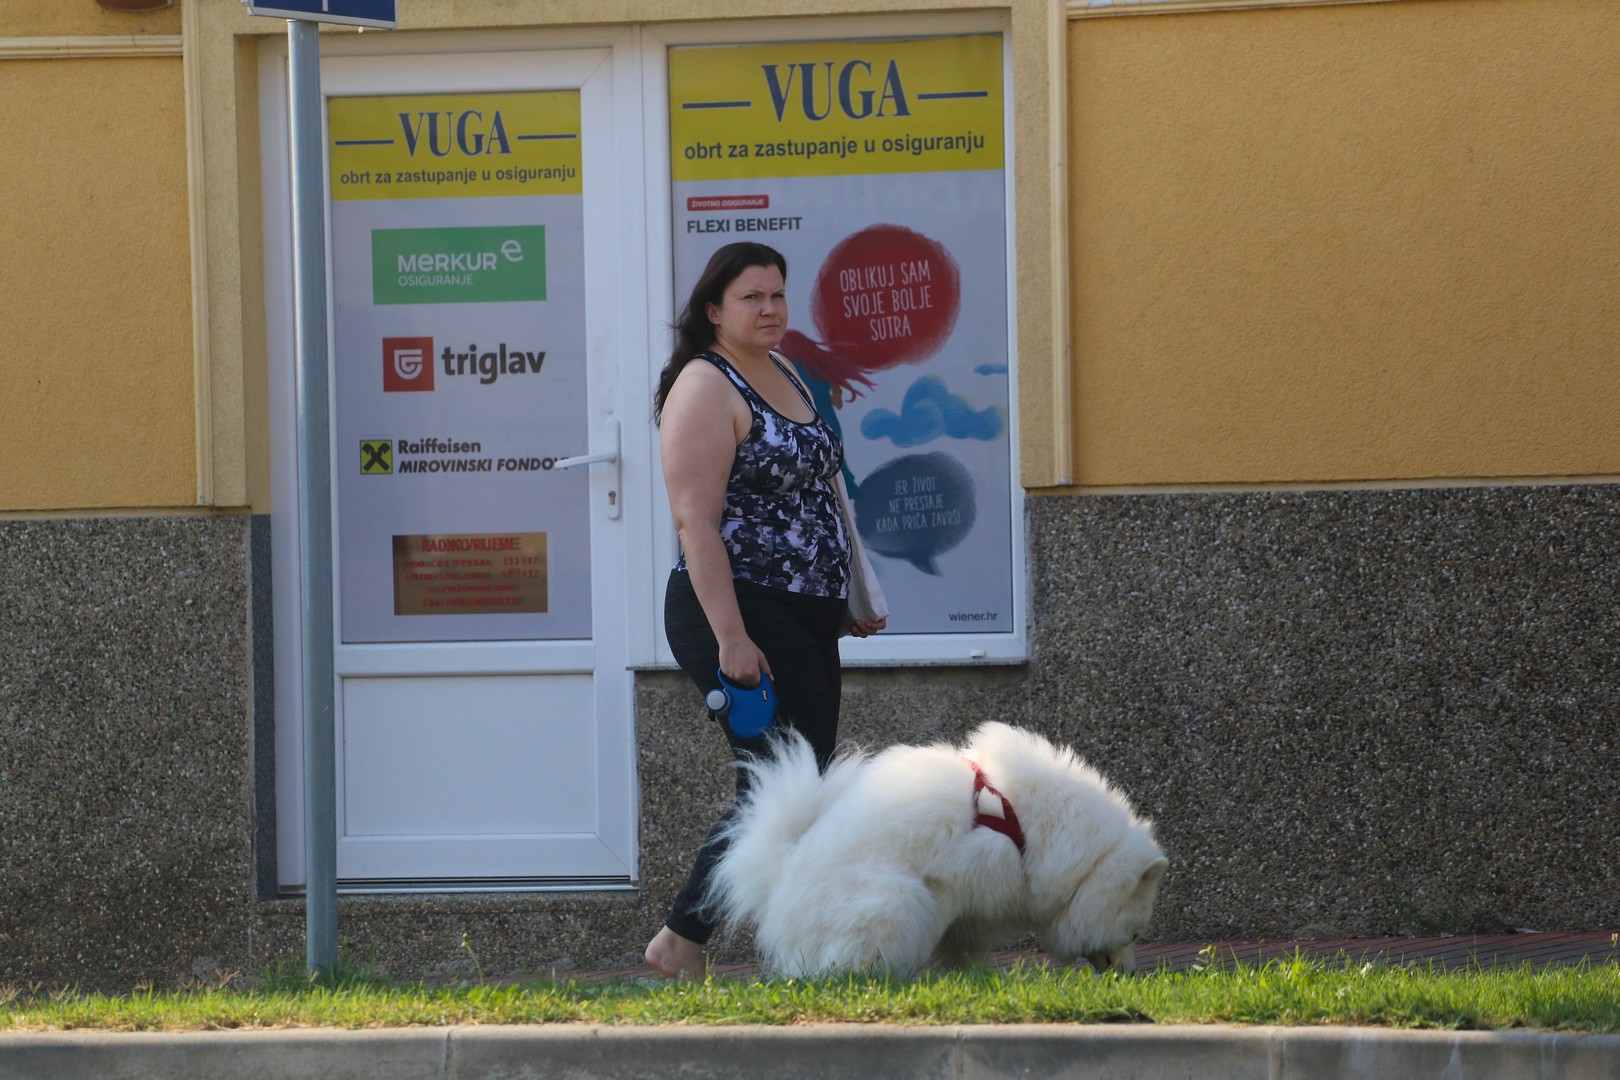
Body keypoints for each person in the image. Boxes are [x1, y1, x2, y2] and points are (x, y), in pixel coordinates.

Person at [644, 241, 886, 979]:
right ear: (714, 310)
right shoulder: (704, 386)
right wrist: (732, 639)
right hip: (736, 610)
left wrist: (850, 595)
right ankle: (683, 942)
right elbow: (697, 523)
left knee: (799, 787)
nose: (771, 308)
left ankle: (703, 943)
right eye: (753, 297)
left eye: (778, 294)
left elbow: (818, 493)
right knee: (779, 787)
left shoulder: (781, 371)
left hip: (805, 614)